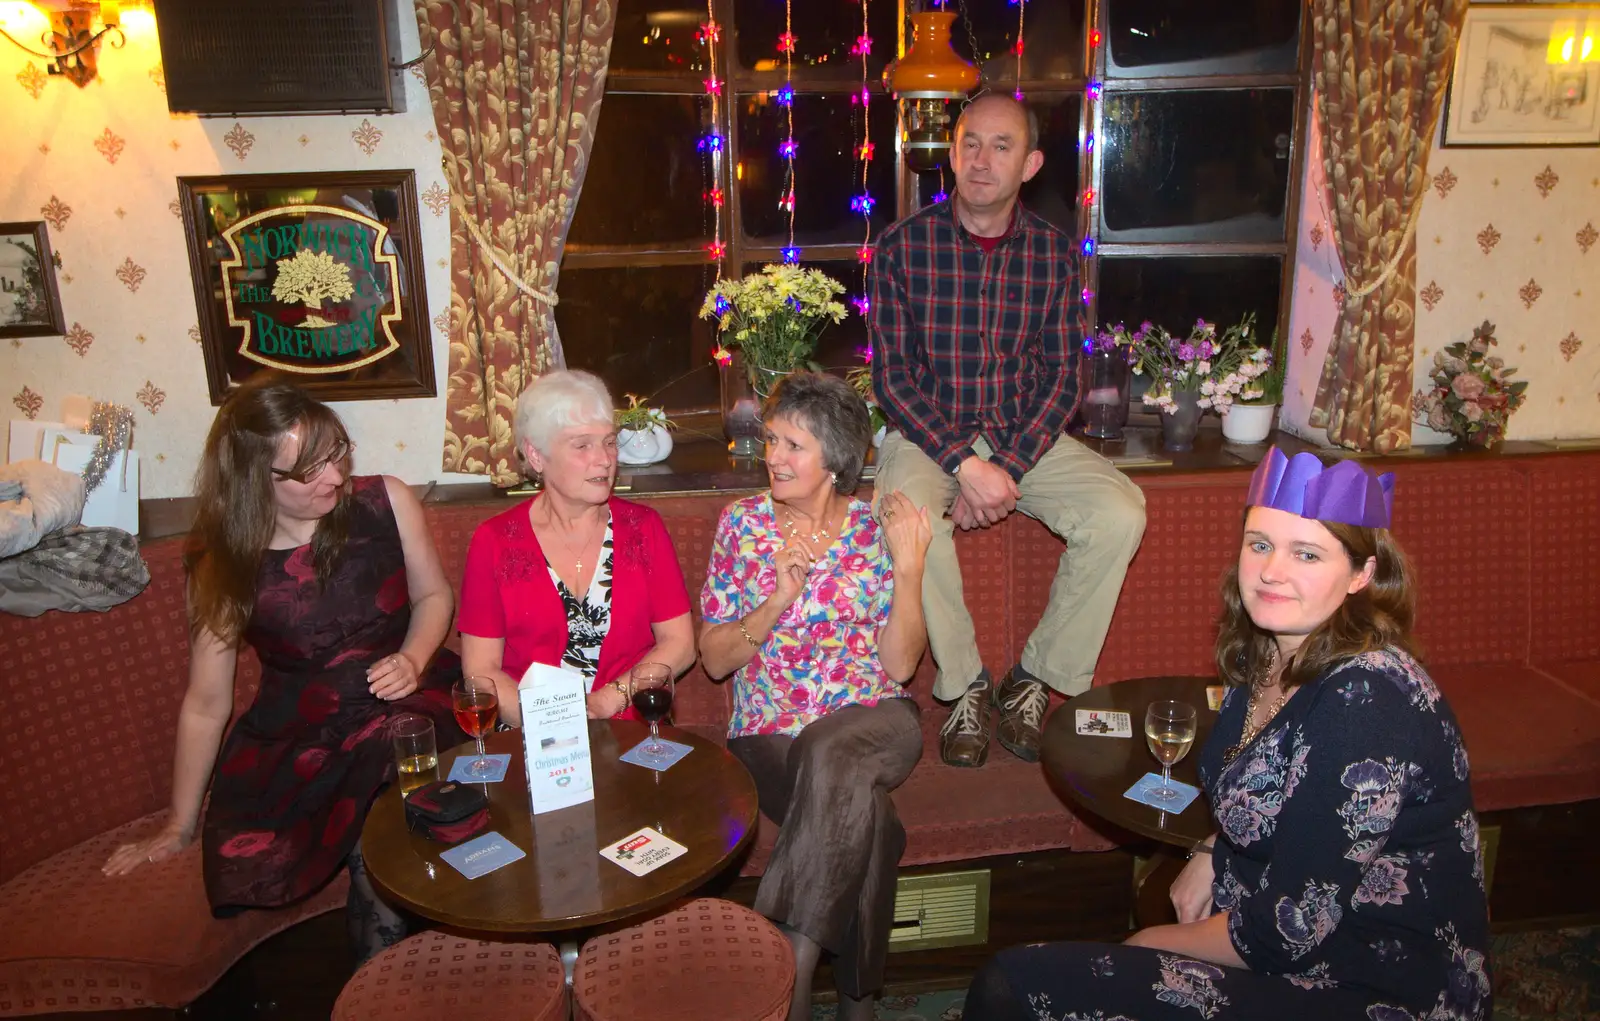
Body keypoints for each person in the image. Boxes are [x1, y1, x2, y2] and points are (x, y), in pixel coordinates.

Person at [964, 447, 1492, 1021]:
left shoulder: (1366, 700)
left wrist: (1150, 945)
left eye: (1307, 554)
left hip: (1370, 979)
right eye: (1260, 544)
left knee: (1012, 986)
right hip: (1290, 932)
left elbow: (1288, 930)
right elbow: (1258, 775)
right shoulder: (1268, 649)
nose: (1271, 570)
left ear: (1362, 575)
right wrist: (1210, 848)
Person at [101, 376, 465, 961]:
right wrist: (178, 821)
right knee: (298, 833)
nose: (335, 477)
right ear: (256, 479)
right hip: (300, 734)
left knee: (394, 755)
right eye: (308, 471)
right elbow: (206, 700)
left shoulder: (387, 500)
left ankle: (385, 970)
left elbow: (433, 597)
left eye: (337, 453)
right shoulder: (223, 561)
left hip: (407, 698)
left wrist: (414, 658)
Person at [869, 91, 1146, 769]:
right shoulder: (901, 248)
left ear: (1030, 164)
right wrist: (965, 464)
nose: (981, 160)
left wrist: (1008, 470)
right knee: (905, 512)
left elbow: (1062, 380)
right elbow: (894, 382)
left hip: (1025, 434)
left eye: (1001, 146)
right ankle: (965, 685)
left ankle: (1037, 675)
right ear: (950, 154)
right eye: (969, 143)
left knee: (1119, 511)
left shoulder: (1053, 256)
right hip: (930, 430)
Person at [699, 372, 932, 1021]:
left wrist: (910, 571)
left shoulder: (876, 526)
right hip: (772, 736)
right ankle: (858, 1004)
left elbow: (902, 662)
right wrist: (778, 598)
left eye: (791, 445)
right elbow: (715, 661)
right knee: (871, 817)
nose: (772, 455)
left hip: (881, 721)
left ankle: (789, 967)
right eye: (771, 439)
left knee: (838, 745)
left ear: (833, 458)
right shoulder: (742, 527)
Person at [457, 370, 694, 725]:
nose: (604, 459)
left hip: (630, 727)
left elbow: (681, 645)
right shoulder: (494, 541)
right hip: (532, 732)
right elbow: (480, 671)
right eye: (582, 445)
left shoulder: (644, 529)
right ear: (536, 456)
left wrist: (607, 701)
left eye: (609, 442)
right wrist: (551, 724)